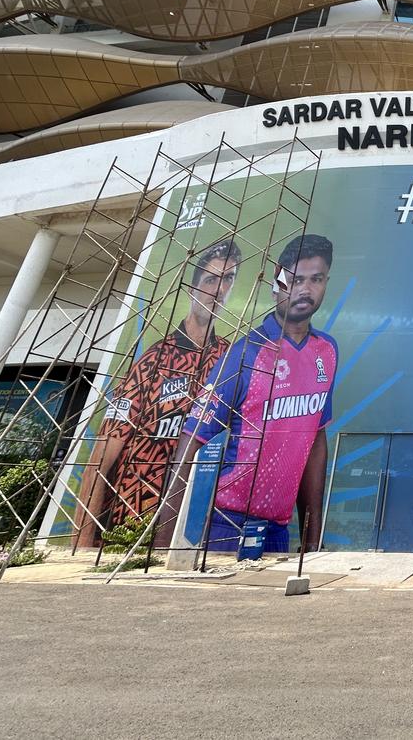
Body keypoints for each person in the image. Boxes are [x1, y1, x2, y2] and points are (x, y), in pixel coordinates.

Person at [169, 233, 338, 556]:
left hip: (277, 529)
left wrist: (312, 543)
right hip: (224, 523)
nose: (305, 289)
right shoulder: (246, 352)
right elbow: (190, 441)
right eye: (296, 279)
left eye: (315, 279)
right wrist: (166, 546)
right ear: (279, 280)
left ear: (326, 281)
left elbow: (315, 440)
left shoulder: (327, 350)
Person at [75, 239, 241, 546]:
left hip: (191, 529)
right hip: (130, 528)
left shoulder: (230, 359)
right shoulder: (155, 360)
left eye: (228, 279)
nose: (219, 289)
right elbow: (100, 461)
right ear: (192, 290)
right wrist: (82, 545)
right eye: (211, 280)